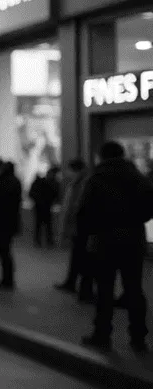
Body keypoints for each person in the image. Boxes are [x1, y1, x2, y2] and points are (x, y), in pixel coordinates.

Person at [77, 141, 150, 354]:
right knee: (134, 289)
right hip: (133, 239)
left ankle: (102, 334)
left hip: (105, 240)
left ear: (101, 155)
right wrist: (135, 220)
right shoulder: (137, 177)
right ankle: (138, 337)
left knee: (105, 289)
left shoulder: (97, 178)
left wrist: (90, 232)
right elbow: (148, 206)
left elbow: (84, 210)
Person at [55, 158, 92, 300]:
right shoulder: (76, 182)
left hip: (80, 227)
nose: (67, 172)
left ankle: (83, 288)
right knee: (76, 257)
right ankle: (71, 282)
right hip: (75, 226)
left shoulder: (83, 183)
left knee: (82, 257)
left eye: (69, 169)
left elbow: (77, 207)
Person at [0, 159, 22, 289]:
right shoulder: (8, 181)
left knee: (4, 252)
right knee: (4, 252)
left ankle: (7, 280)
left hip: (4, 223)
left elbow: (1, 202)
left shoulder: (7, 182)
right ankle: (6, 279)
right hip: (4, 223)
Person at [28, 166, 60, 247]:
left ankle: (39, 241)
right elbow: (55, 195)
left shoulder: (40, 182)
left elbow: (31, 193)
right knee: (46, 225)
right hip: (45, 206)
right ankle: (48, 241)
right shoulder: (52, 183)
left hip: (40, 206)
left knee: (39, 225)